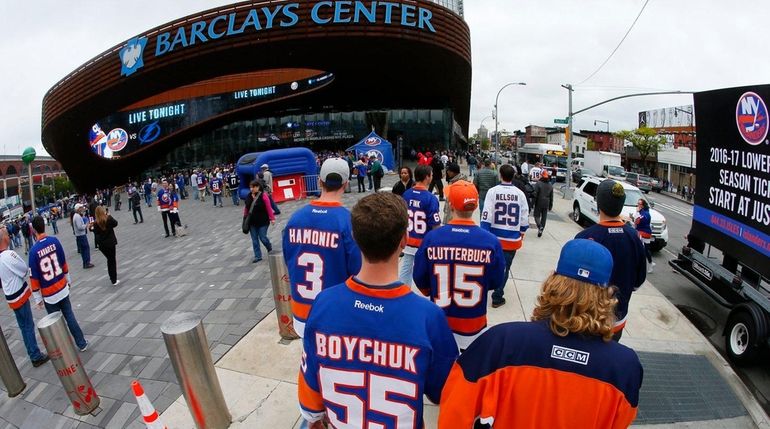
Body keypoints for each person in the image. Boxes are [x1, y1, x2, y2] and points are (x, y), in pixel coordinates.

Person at [438, 239, 643, 428]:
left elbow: (454, 412)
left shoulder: (501, 342)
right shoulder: (625, 367)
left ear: (553, 281)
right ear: (607, 296)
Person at [298, 193, 459, 429]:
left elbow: (310, 403)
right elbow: (443, 391)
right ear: (404, 239)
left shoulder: (324, 304)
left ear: (354, 237)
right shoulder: (428, 317)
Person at [414, 181, 505, 350]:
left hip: (440, 319)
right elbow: (496, 280)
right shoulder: (491, 242)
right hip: (473, 321)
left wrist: (431, 290)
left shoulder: (433, 238)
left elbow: (419, 277)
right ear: (476, 206)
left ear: (450, 205)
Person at [282, 158, 362, 338]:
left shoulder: (295, 219)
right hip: (335, 315)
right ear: (346, 183)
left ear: (319, 181)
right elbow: (358, 272)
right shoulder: (347, 222)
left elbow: (288, 260)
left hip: (302, 312)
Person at [575, 179, 646, 340]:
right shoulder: (635, 237)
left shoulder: (584, 238)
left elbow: (573, 284)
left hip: (588, 320)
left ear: (599, 203)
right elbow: (638, 281)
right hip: (617, 319)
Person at [29, 216, 89, 352]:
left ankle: (65, 349)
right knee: (69, 316)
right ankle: (81, 343)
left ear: (33, 230)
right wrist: (68, 280)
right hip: (61, 287)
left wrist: (37, 298)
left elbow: (34, 278)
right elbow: (63, 263)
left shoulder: (33, 252)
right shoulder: (54, 241)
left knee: (57, 323)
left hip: (49, 294)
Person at [480, 164, 529, 308]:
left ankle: (483, 290)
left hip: (494, 237)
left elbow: (486, 215)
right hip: (511, 239)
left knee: (488, 266)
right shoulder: (520, 194)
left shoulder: (492, 192)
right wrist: (521, 232)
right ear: (513, 176)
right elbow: (524, 217)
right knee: (505, 268)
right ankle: (497, 296)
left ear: (500, 175)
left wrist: (485, 234)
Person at [0, 227, 49, 367]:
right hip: (18, 294)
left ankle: (32, 352)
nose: (9, 237)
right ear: (4, 239)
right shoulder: (8, 255)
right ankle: (35, 355)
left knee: (23, 326)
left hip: (11, 295)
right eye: (7, 236)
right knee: (28, 325)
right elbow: (23, 269)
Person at [399, 165, 441, 287]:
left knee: (406, 268)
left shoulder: (406, 194)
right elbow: (435, 225)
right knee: (429, 269)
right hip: (424, 242)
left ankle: (403, 293)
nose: (432, 176)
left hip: (408, 239)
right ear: (427, 177)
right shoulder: (431, 198)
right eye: (431, 174)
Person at [243, 180, 275, 263]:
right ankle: (258, 256)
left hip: (263, 221)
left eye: (253, 187)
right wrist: (245, 218)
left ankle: (269, 247)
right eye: (250, 187)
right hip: (252, 222)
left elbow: (268, 207)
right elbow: (246, 207)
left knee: (263, 237)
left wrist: (272, 218)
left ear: (258, 187)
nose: (251, 189)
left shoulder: (263, 196)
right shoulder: (248, 196)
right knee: (254, 240)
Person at [92, 206, 119, 286]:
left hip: (102, 245)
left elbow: (95, 233)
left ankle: (112, 277)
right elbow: (115, 223)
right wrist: (109, 215)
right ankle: (113, 279)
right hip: (110, 243)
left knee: (109, 260)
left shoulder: (96, 223)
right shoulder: (108, 219)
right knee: (112, 261)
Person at [634, 198, 654, 273]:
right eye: (638, 203)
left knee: (639, 248)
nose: (638, 205)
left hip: (644, 232)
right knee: (646, 249)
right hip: (643, 231)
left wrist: (637, 213)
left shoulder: (645, 213)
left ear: (642, 205)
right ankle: (650, 263)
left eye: (639, 204)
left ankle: (640, 265)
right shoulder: (642, 211)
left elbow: (637, 221)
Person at [533, 169, 554, 237]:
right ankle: (541, 229)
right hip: (546, 203)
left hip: (539, 202)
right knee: (544, 217)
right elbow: (551, 196)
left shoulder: (538, 183)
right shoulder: (550, 185)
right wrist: (550, 205)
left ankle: (539, 226)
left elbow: (535, 194)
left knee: (536, 216)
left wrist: (532, 203)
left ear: (542, 176)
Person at [72, 204, 94, 269]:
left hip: (79, 235)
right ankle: (87, 262)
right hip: (81, 235)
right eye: (81, 207)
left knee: (83, 249)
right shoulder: (77, 216)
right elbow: (80, 227)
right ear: (78, 209)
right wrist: (86, 225)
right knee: (86, 248)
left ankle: (85, 263)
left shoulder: (75, 216)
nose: (82, 209)